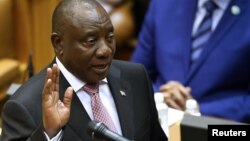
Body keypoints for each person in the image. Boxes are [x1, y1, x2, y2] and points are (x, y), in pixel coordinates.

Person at [0, 0, 168, 141]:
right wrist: (49, 134)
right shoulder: (24, 107)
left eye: (110, 38)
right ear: (59, 44)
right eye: (90, 41)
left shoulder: (136, 77)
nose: (106, 51)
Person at [131, 0, 250, 123]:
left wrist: (196, 109)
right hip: (159, 123)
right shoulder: (164, 3)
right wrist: (160, 98)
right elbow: (135, 77)